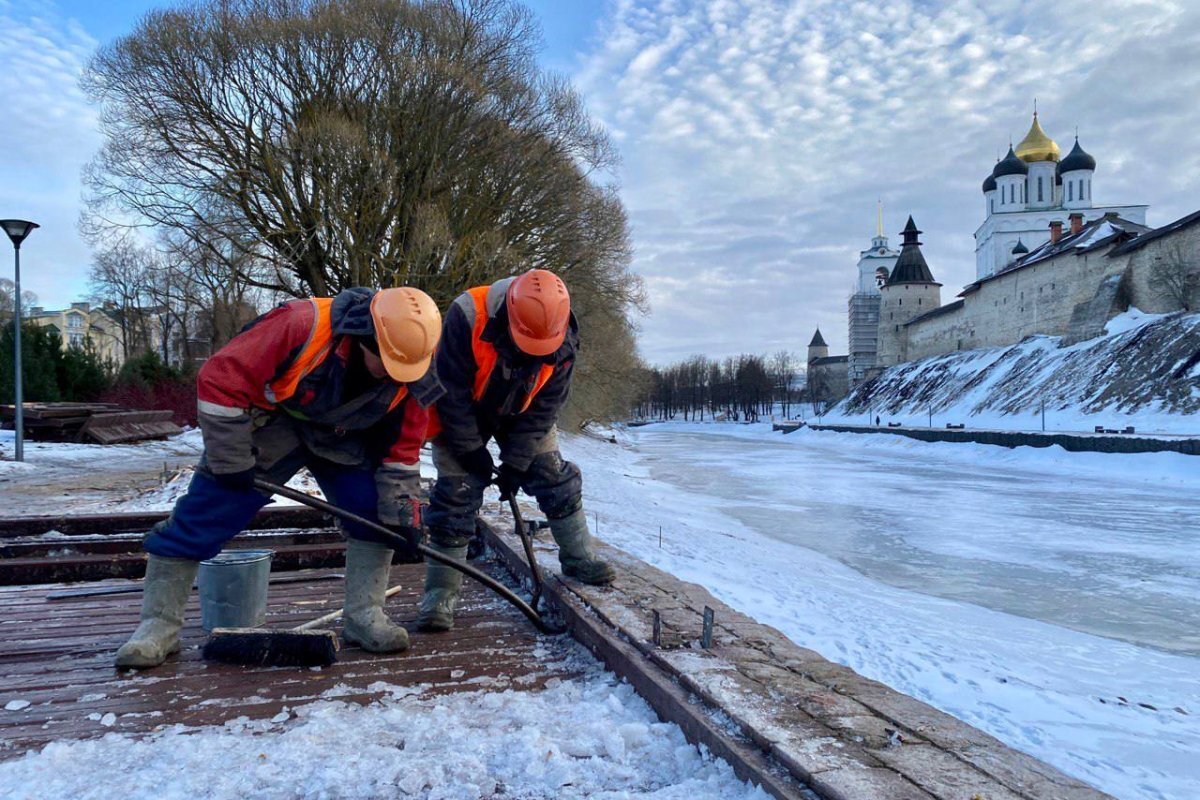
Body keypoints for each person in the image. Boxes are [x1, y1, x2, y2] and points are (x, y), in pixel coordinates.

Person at [115, 287, 444, 668]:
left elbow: (403, 450)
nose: (392, 375)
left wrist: (402, 513)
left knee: (374, 514)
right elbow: (221, 379)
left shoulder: (417, 358)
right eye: (383, 362)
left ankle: (364, 616)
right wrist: (231, 459)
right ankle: (158, 626)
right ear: (362, 337)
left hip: (347, 434)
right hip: (275, 422)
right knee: (208, 510)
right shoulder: (299, 324)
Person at [418, 269, 615, 632]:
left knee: (554, 476)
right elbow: (451, 392)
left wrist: (516, 463)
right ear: (509, 316)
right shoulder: (466, 316)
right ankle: (440, 595)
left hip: (524, 408)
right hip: (462, 409)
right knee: (456, 494)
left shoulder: (566, 338)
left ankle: (579, 558)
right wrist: (472, 451)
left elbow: (545, 408)